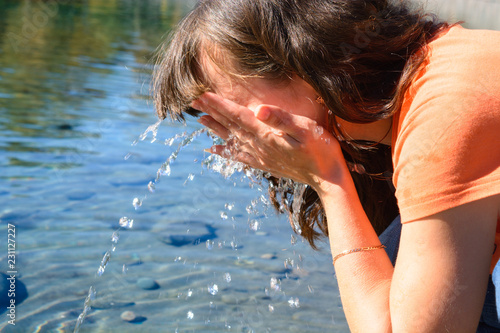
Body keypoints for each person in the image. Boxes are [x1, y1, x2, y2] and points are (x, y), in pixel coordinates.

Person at [152, 0, 500, 331]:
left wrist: (330, 179)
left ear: (302, 64)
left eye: (226, 104)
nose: (231, 130)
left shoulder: (445, 110)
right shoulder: (429, 75)